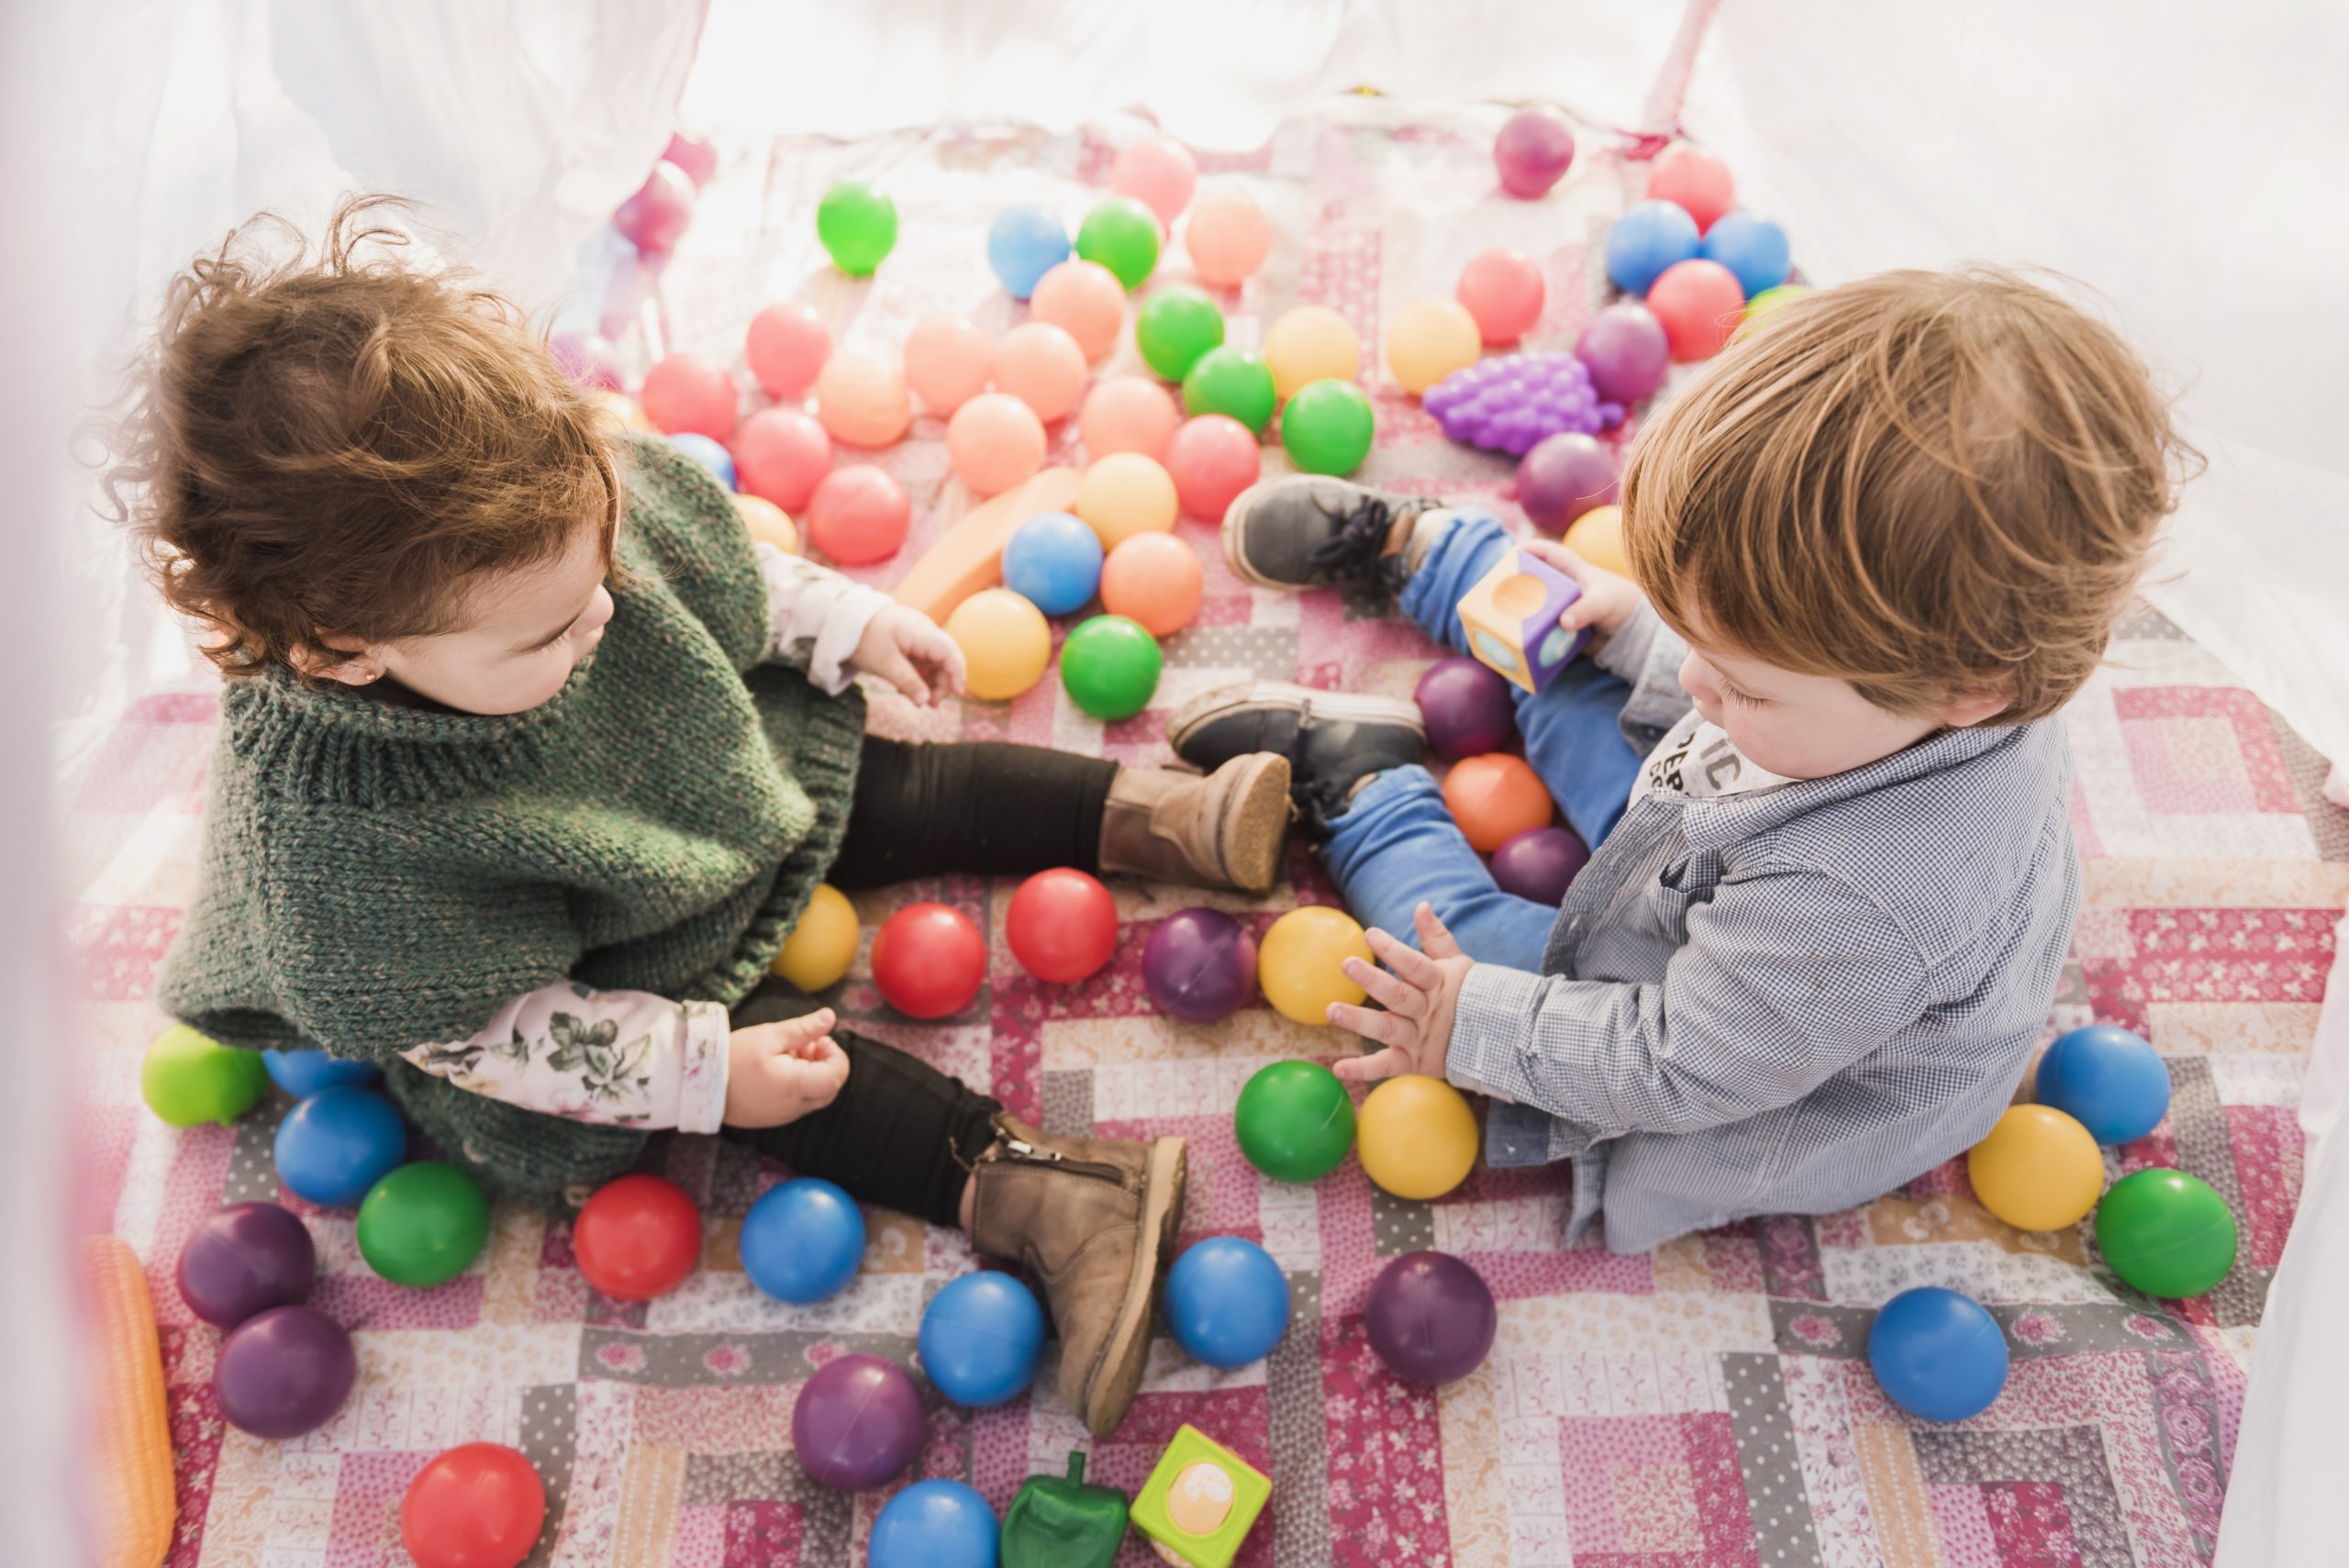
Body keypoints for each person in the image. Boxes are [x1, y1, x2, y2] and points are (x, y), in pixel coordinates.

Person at [108, 197, 1294, 1435]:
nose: (602, 621)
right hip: (565, 965)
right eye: (547, 633)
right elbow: (479, 1032)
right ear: (345, 654)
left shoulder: (557, 519)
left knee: (885, 777)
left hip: (691, 784)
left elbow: (720, 555)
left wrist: (845, 623)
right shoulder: (340, 860)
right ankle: (1061, 1196)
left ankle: (1172, 816)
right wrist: (695, 1070)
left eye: (598, 575)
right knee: (788, 1066)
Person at [1171, 267, 2194, 1254]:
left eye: (1745, 681)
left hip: (1708, 1041)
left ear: (1967, 691)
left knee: (1445, 954)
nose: (1699, 684)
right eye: (1698, 640)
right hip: (1732, 850)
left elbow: (1669, 1063)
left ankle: (1363, 781)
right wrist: (1645, 635)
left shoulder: (1862, 904)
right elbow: (1732, 681)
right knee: (1583, 645)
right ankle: (1440, 559)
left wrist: (1468, 1020)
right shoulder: (1926, 672)